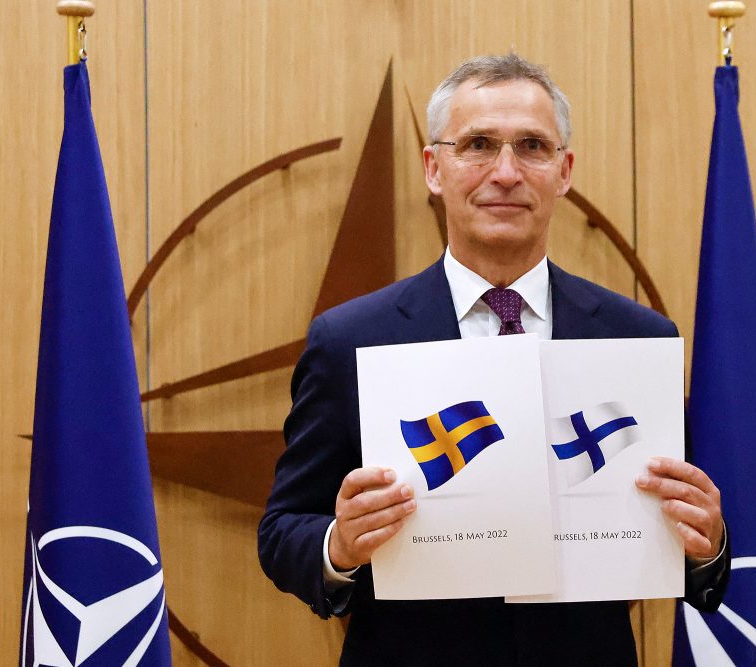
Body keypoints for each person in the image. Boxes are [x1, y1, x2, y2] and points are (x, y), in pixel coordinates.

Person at [258, 53, 729, 666]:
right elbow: (282, 532)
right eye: (478, 144)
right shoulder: (349, 340)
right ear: (434, 168)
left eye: (531, 146)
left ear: (564, 171)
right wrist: (338, 546)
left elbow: (692, 553)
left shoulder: (637, 338)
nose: (505, 172)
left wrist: (708, 544)